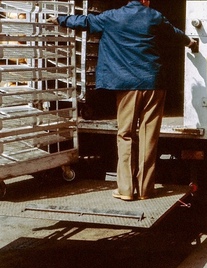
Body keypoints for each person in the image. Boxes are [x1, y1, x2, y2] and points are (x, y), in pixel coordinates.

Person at [48, 0, 198, 201]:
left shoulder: (112, 17)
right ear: (146, 0)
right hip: (153, 84)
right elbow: (174, 34)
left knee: (125, 134)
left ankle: (126, 189)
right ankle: (146, 189)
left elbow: (85, 21)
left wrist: (60, 19)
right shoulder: (153, 16)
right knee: (149, 137)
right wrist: (190, 43)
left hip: (126, 86)